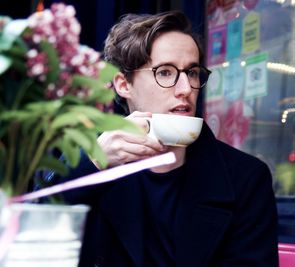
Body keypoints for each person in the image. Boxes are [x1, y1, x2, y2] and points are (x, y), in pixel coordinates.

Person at [51, 10, 278, 267]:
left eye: (192, 73)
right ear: (123, 85)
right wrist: (91, 164)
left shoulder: (245, 178)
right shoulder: (91, 163)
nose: (185, 90)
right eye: (166, 72)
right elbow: (34, 235)